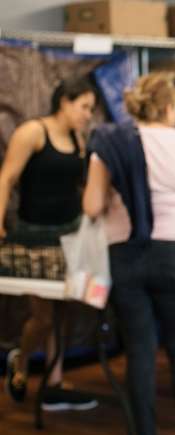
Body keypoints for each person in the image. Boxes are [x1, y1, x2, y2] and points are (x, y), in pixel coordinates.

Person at [83, 72, 175, 435]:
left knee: (140, 350)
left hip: (126, 255)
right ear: (168, 107)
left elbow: (91, 206)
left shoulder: (111, 144)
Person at [0, 77, 98, 411]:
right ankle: (21, 360)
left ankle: (55, 381)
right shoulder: (32, 132)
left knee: (64, 311)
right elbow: (6, 178)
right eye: (84, 107)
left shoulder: (77, 138)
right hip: (34, 237)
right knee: (42, 315)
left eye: (91, 109)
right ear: (64, 102)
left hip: (69, 234)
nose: (88, 114)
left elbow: (79, 185)